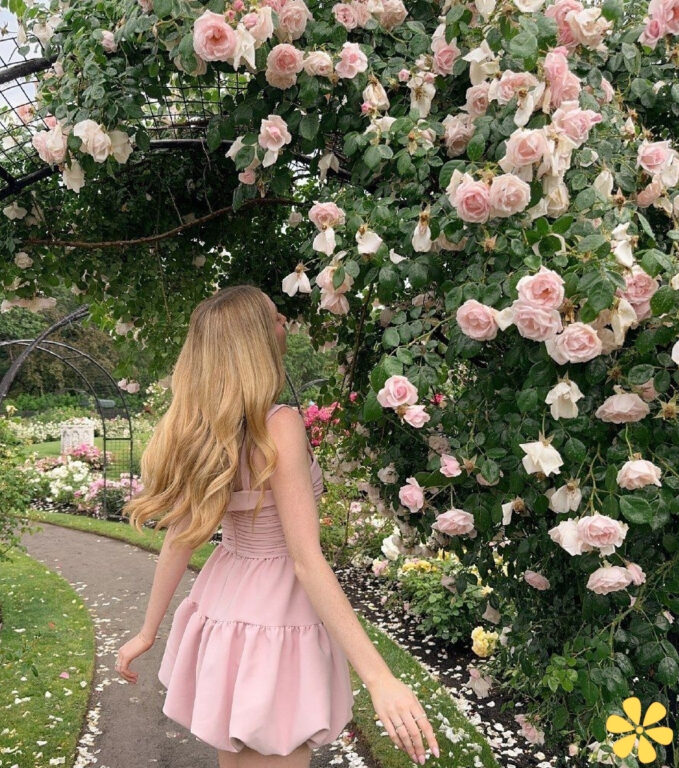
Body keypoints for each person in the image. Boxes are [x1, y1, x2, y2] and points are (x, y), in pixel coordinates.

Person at [115, 285, 440, 767]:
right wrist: (379, 678)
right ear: (255, 340)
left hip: (225, 607)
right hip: (277, 617)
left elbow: (181, 538)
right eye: (275, 317)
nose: (285, 321)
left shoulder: (210, 427)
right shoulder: (279, 424)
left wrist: (148, 631)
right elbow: (305, 560)